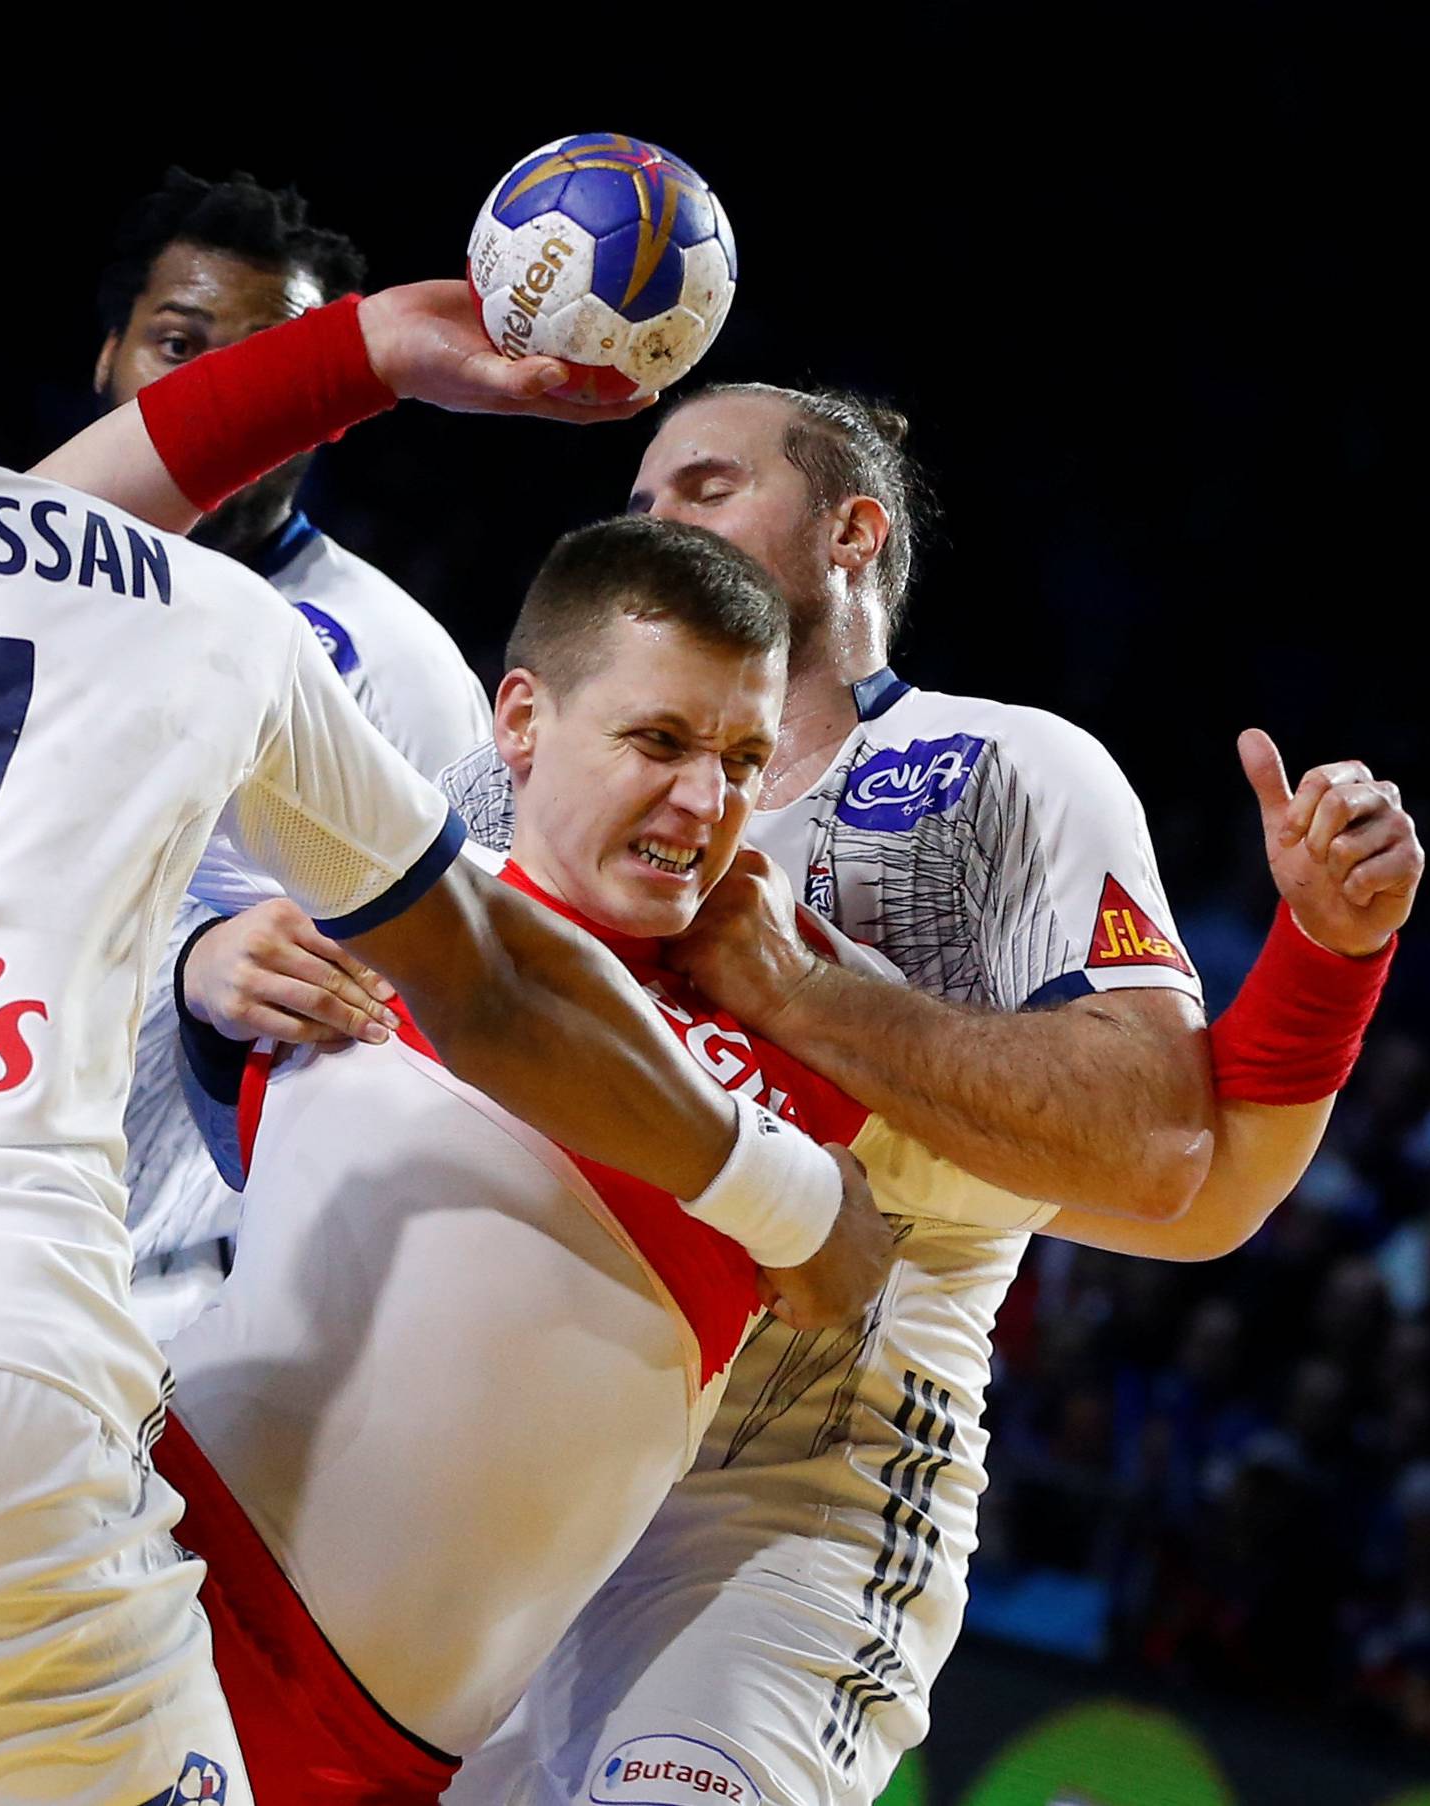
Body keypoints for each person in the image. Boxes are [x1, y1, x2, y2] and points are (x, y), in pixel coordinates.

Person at [0, 61, 876, 1802]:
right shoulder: (189, 616)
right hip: (6, 1417)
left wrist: (375, 354)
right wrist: (788, 1193)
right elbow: (487, 983)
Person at [173, 384, 1419, 1803]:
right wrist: (217, 972)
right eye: (640, 502)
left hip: (785, 1501)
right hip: (478, 1496)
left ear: (852, 529)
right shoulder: (511, 773)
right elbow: (301, 1109)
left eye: (703, 487)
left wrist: (813, 995)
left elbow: (1173, 1169)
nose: (653, 519)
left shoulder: (1003, 768)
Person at [156, 515, 1035, 1804]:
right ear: (519, 719)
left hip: (374, 1757)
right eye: (659, 742)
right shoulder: (383, 925)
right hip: (159, 1585)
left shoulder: (818, 1010)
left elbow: (1177, 1188)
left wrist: (1327, 964)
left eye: (744, 757)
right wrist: (199, 978)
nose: (704, 801)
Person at [89, 169, 492, 1331]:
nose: (226, 392)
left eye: (275, 364)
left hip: (176, 1303)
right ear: (106, 357)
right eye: (181, 344)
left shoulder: (398, 665)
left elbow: (461, 1009)